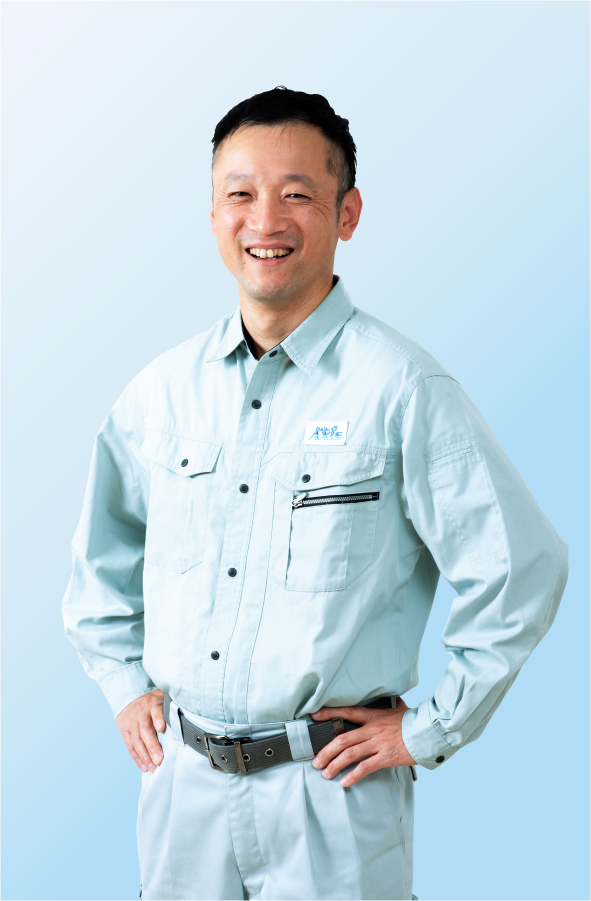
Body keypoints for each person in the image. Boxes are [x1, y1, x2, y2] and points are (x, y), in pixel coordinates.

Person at [63, 87, 568, 901]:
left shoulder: (402, 389)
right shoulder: (159, 395)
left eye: (296, 193)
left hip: (330, 794)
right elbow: (100, 560)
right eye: (240, 193)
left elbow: (521, 568)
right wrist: (124, 685)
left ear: (347, 213)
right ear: (213, 213)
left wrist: (433, 727)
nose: (264, 219)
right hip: (182, 788)